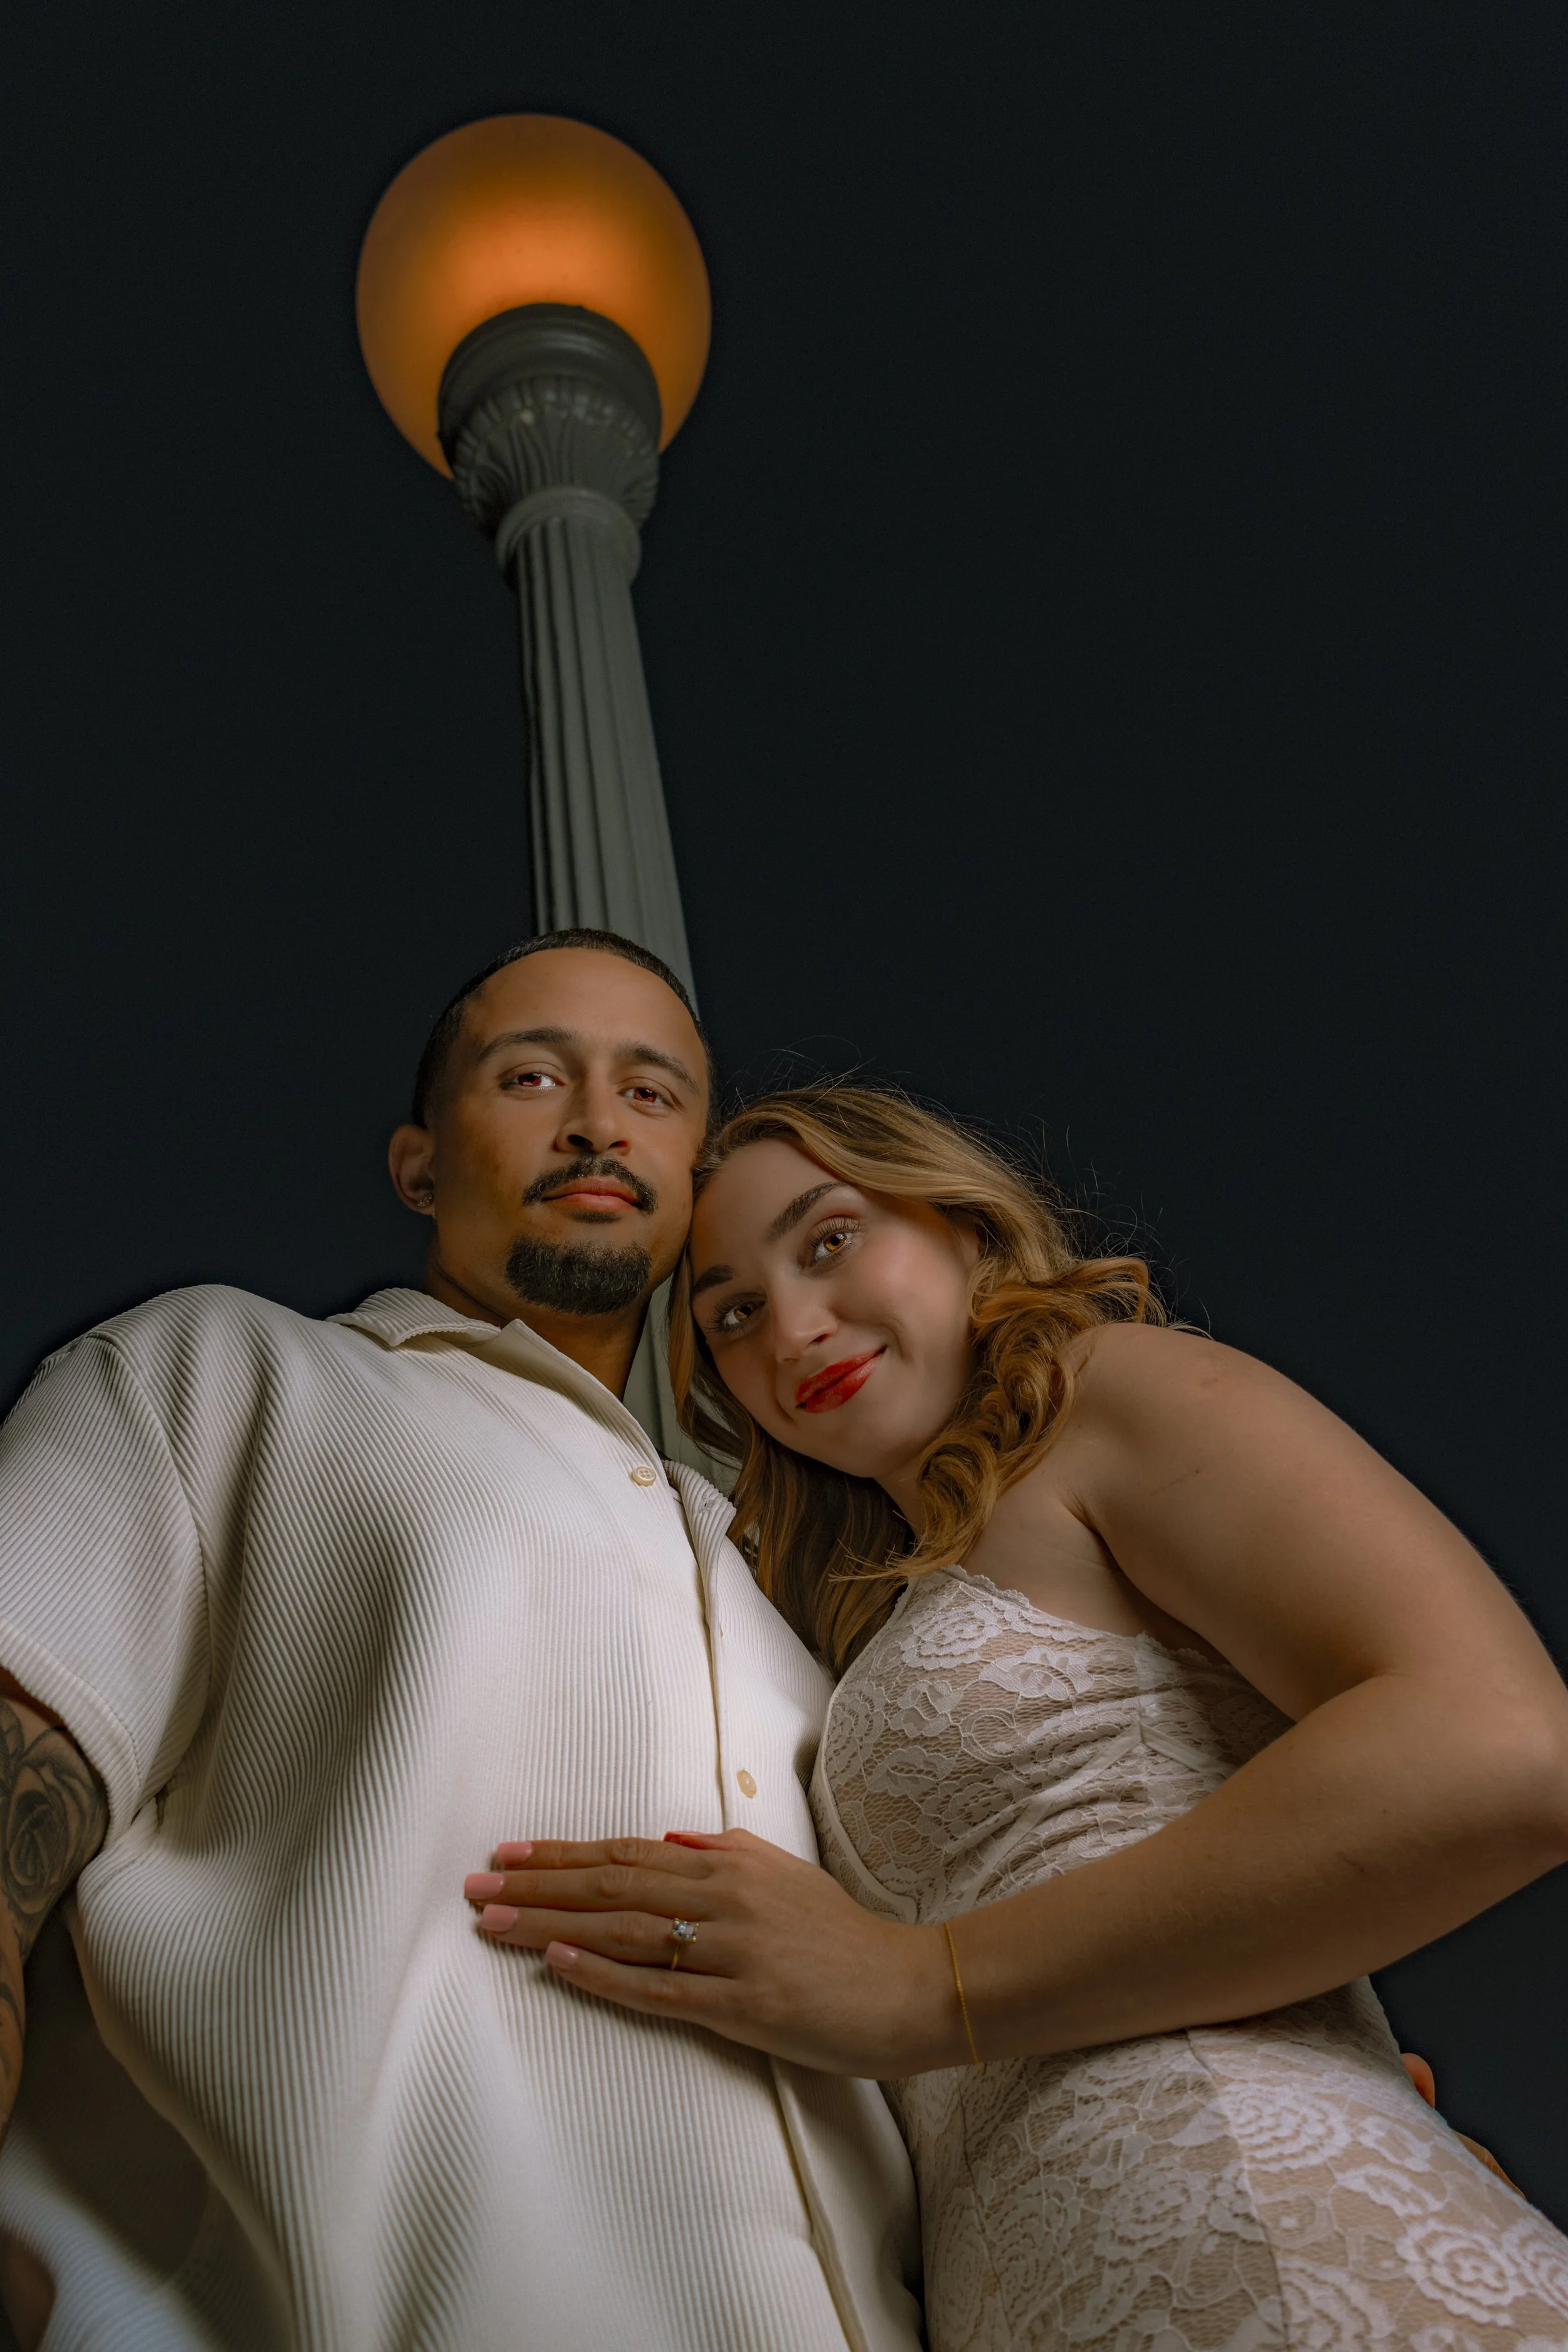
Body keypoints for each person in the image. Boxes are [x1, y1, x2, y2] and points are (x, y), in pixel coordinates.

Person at [469, 1084, 1568, 2352]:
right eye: (733, 1314)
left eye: (830, 1239)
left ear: (965, 1228)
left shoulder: (1107, 1392)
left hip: (1265, 2246)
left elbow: (1500, 1746)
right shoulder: (867, 1618)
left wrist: (921, 1983)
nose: (795, 1327)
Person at [0, 950, 921, 2352]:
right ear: (419, 1166)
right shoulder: (219, 1373)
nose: (599, 1123)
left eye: (652, 1093)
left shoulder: (769, 1578)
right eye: (534, 1075)